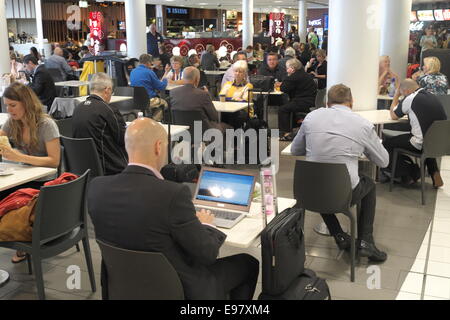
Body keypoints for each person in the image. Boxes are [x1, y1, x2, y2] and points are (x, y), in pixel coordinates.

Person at [87, 117, 259, 300]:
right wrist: (208, 226)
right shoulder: (172, 194)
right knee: (247, 263)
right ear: (158, 147)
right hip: (180, 289)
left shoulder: (97, 187)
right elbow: (208, 254)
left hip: (122, 286)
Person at [291, 84, 389, 262]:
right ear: (352, 102)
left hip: (306, 192)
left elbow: (295, 150)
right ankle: (366, 241)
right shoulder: (362, 124)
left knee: (321, 180)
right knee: (369, 186)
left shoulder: (311, 117)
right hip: (342, 194)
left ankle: (339, 235)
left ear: (327, 102)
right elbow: (383, 161)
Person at [0, 82, 61, 263]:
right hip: (21, 177)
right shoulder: (13, 122)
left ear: (25, 103)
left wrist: (18, 156)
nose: (9, 110)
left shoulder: (46, 124)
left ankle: (21, 238)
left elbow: (54, 161)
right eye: (6, 105)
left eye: (13, 105)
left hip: (43, 181)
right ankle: (15, 235)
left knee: (8, 199)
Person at [383, 79, 447, 188]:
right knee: (425, 138)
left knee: (386, 144)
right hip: (439, 144)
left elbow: (393, 115)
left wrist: (396, 96)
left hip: (421, 144)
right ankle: (435, 173)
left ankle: (411, 173)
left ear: (406, 91)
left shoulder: (410, 98)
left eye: (402, 93)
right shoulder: (431, 95)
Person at [72, 73, 128, 176]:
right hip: (109, 168)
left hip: (82, 169)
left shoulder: (77, 109)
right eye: (112, 91)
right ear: (107, 90)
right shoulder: (109, 110)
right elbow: (124, 138)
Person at [171, 67, 230, 132]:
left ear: (183, 78)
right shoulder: (203, 94)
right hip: (204, 131)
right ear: (197, 79)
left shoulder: (173, 93)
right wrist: (209, 97)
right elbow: (214, 117)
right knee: (228, 128)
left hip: (181, 130)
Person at [279, 58, 317, 140]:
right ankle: (294, 128)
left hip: (302, 102)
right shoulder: (304, 74)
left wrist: (287, 76)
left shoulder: (294, 76)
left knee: (283, 109)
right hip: (310, 101)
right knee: (289, 106)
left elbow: (283, 88)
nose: (286, 70)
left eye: (287, 68)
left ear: (292, 68)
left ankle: (286, 132)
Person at [130, 54, 170, 121]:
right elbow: (161, 87)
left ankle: (149, 120)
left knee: (154, 105)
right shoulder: (149, 72)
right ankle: (154, 122)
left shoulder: (133, 71)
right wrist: (165, 80)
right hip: (149, 100)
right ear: (148, 62)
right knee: (164, 103)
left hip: (136, 101)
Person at [219, 60, 254, 128]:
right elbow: (221, 97)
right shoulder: (227, 84)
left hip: (243, 111)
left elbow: (244, 101)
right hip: (227, 109)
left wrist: (228, 99)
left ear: (244, 74)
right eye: (236, 71)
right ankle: (225, 135)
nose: (237, 73)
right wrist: (235, 99)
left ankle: (233, 136)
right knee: (222, 114)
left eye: (240, 72)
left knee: (234, 116)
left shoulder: (248, 86)